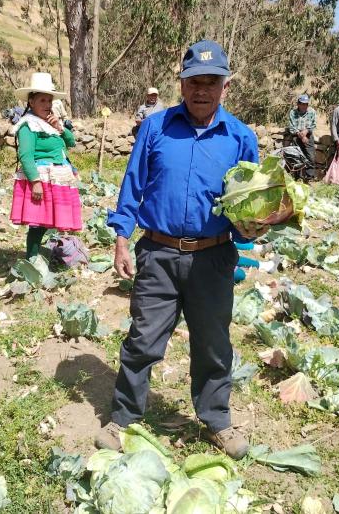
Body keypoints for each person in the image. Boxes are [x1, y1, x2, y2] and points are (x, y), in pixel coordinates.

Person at [99, 40, 264, 460]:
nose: (202, 90)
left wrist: (256, 223)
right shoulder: (156, 127)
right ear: (182, 84)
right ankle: (123, 419)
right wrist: (121, 236)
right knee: (143, 339)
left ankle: (217, 421)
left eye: (212, 81)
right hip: (158, 252)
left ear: (225, 86)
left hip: (213, 257)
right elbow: (133, 183)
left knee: (213, 344)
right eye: (194, 82)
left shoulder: (241, 137)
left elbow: (250, 202)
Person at [9, 72, 82, 258]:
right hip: (43, 178)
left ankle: (37, 255)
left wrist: (60, 127)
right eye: (42, 101)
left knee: (46, 221)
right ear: (31, 102)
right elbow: (25, 155)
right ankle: (31, 259)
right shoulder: (28, 125)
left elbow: (71, 142)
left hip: (56, 178)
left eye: (49, 101)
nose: (47, 105)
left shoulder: (50, 123)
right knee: (38, 223)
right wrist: (35, 182)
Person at [285, 94, 317, 180]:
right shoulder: (293, 112)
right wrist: (301, 135)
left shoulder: (312, 112)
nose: (304, 106)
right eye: (302, 104)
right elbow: (291, 128)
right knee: (296, 156)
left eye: (306, 104)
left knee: (311, 156)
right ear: (298, 104)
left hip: (308, 136)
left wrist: (306, 131)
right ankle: (297, 177)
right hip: (296, 136)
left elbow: (313, 125)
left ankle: (309, 177)